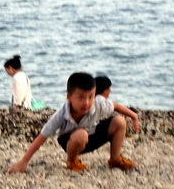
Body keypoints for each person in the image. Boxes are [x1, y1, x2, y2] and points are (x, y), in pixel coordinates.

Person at [8, 72, 140, 174]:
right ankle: (71, 161)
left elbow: (115, 106)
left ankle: (115, 159)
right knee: (81, 135)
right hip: (70, 141)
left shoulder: (98, 104)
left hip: (91, 136)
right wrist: (23, 161)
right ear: (69, 96)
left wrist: (134, 117)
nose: (87, 102)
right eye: (81, 97)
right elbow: (42, 137)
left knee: (119, 121)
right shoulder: (61, 114)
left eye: (90, 96)